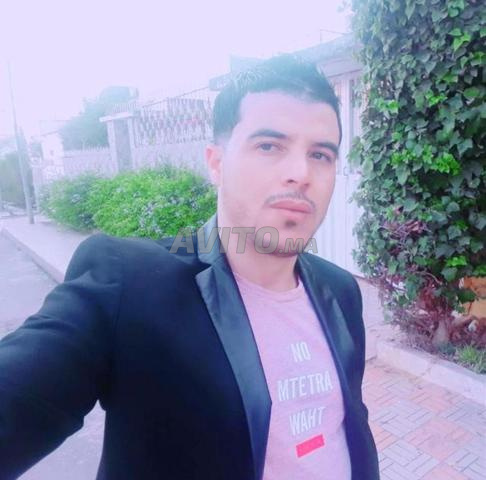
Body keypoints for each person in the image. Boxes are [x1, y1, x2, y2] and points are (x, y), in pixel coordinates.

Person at [0, 55, 379, 480]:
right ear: (216, 163)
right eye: (269, 146)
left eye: (321, 154)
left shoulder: (340, 290)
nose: (300, 173)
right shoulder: (130, 286)